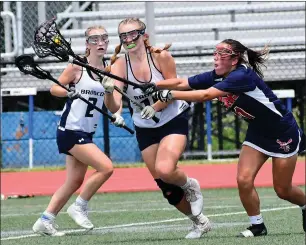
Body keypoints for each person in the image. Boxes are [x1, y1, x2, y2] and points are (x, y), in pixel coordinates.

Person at [147, 38, 306, 237]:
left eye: (221, 55)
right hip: (258, 132)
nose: (216, 59)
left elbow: (205, 95)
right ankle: (257, 226)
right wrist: (153, 85)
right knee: (243, 179)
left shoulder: (241, 76)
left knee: (283, 190)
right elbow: (181, 82)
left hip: (282, 132)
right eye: (215, 54)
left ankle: (304, 205)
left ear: (234, 59)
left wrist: (170, 95)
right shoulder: (217, 75)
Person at [104, 17, 211, 239]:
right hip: (145, 125)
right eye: (124, 35)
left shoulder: (161, 57)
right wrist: (107, 90)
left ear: (144, 35)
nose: (128, 39)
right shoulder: (119, 65)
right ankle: (199, 222)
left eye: (133, 34)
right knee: (168, 189)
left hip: (172, 117)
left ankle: (190, 185)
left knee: (165, 169)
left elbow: (175, 87)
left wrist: (155, 106)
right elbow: (114, 105)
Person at [32, 25, 120, 236]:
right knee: (106, 167)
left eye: (104, 38)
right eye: (94, 39)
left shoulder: (109, 69)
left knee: (74, 181)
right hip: (70, 130)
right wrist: (68, 91)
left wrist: (110, 94)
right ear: (86, 44)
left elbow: (113, 106)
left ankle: (45, 220)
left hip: (86, 132)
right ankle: (79, 206)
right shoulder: (76, 67)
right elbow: (54, 88)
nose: (100, 43)